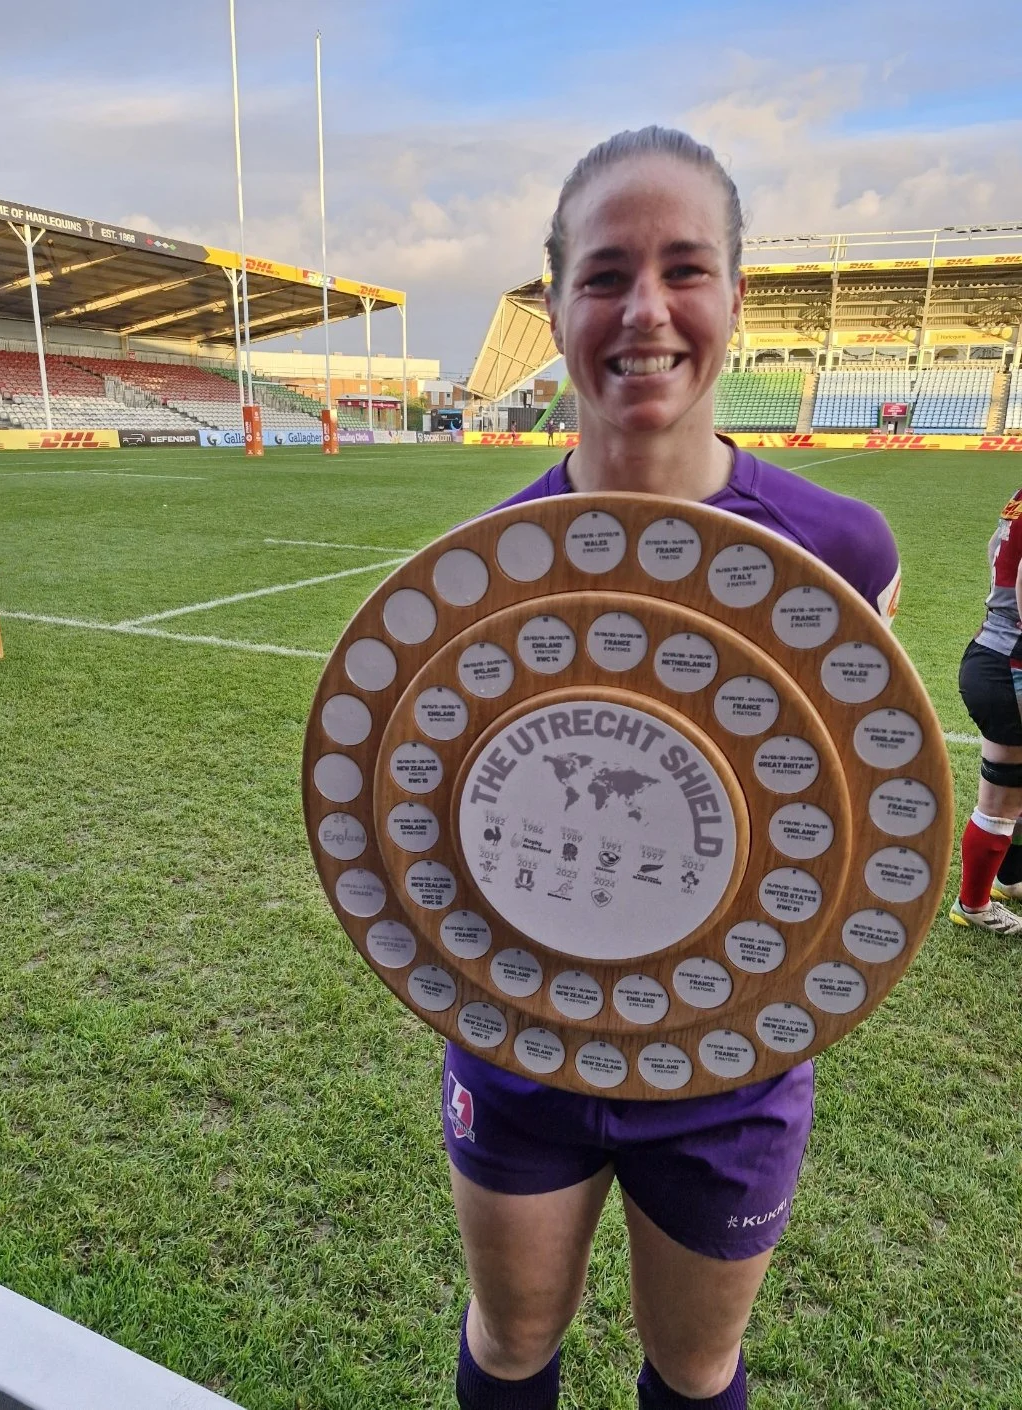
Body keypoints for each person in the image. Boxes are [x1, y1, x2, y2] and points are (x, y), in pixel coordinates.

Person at [445, 127, 901, 1410]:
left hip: (728, 1071)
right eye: (604, 274)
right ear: (557, 308)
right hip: (519, 1049)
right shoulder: (477, 575)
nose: (645, 308)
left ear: (737, 300)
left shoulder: (840, 556)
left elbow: (848, 827)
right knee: (512, 1337)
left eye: (685, 268)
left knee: (696, 1370)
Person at [951, 490, 1022, 935]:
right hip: (1011, 665)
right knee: (999, 802)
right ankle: (973, 905)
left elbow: (994, 552)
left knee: (1013, 791)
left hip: (994, 655)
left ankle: (1008, 878)